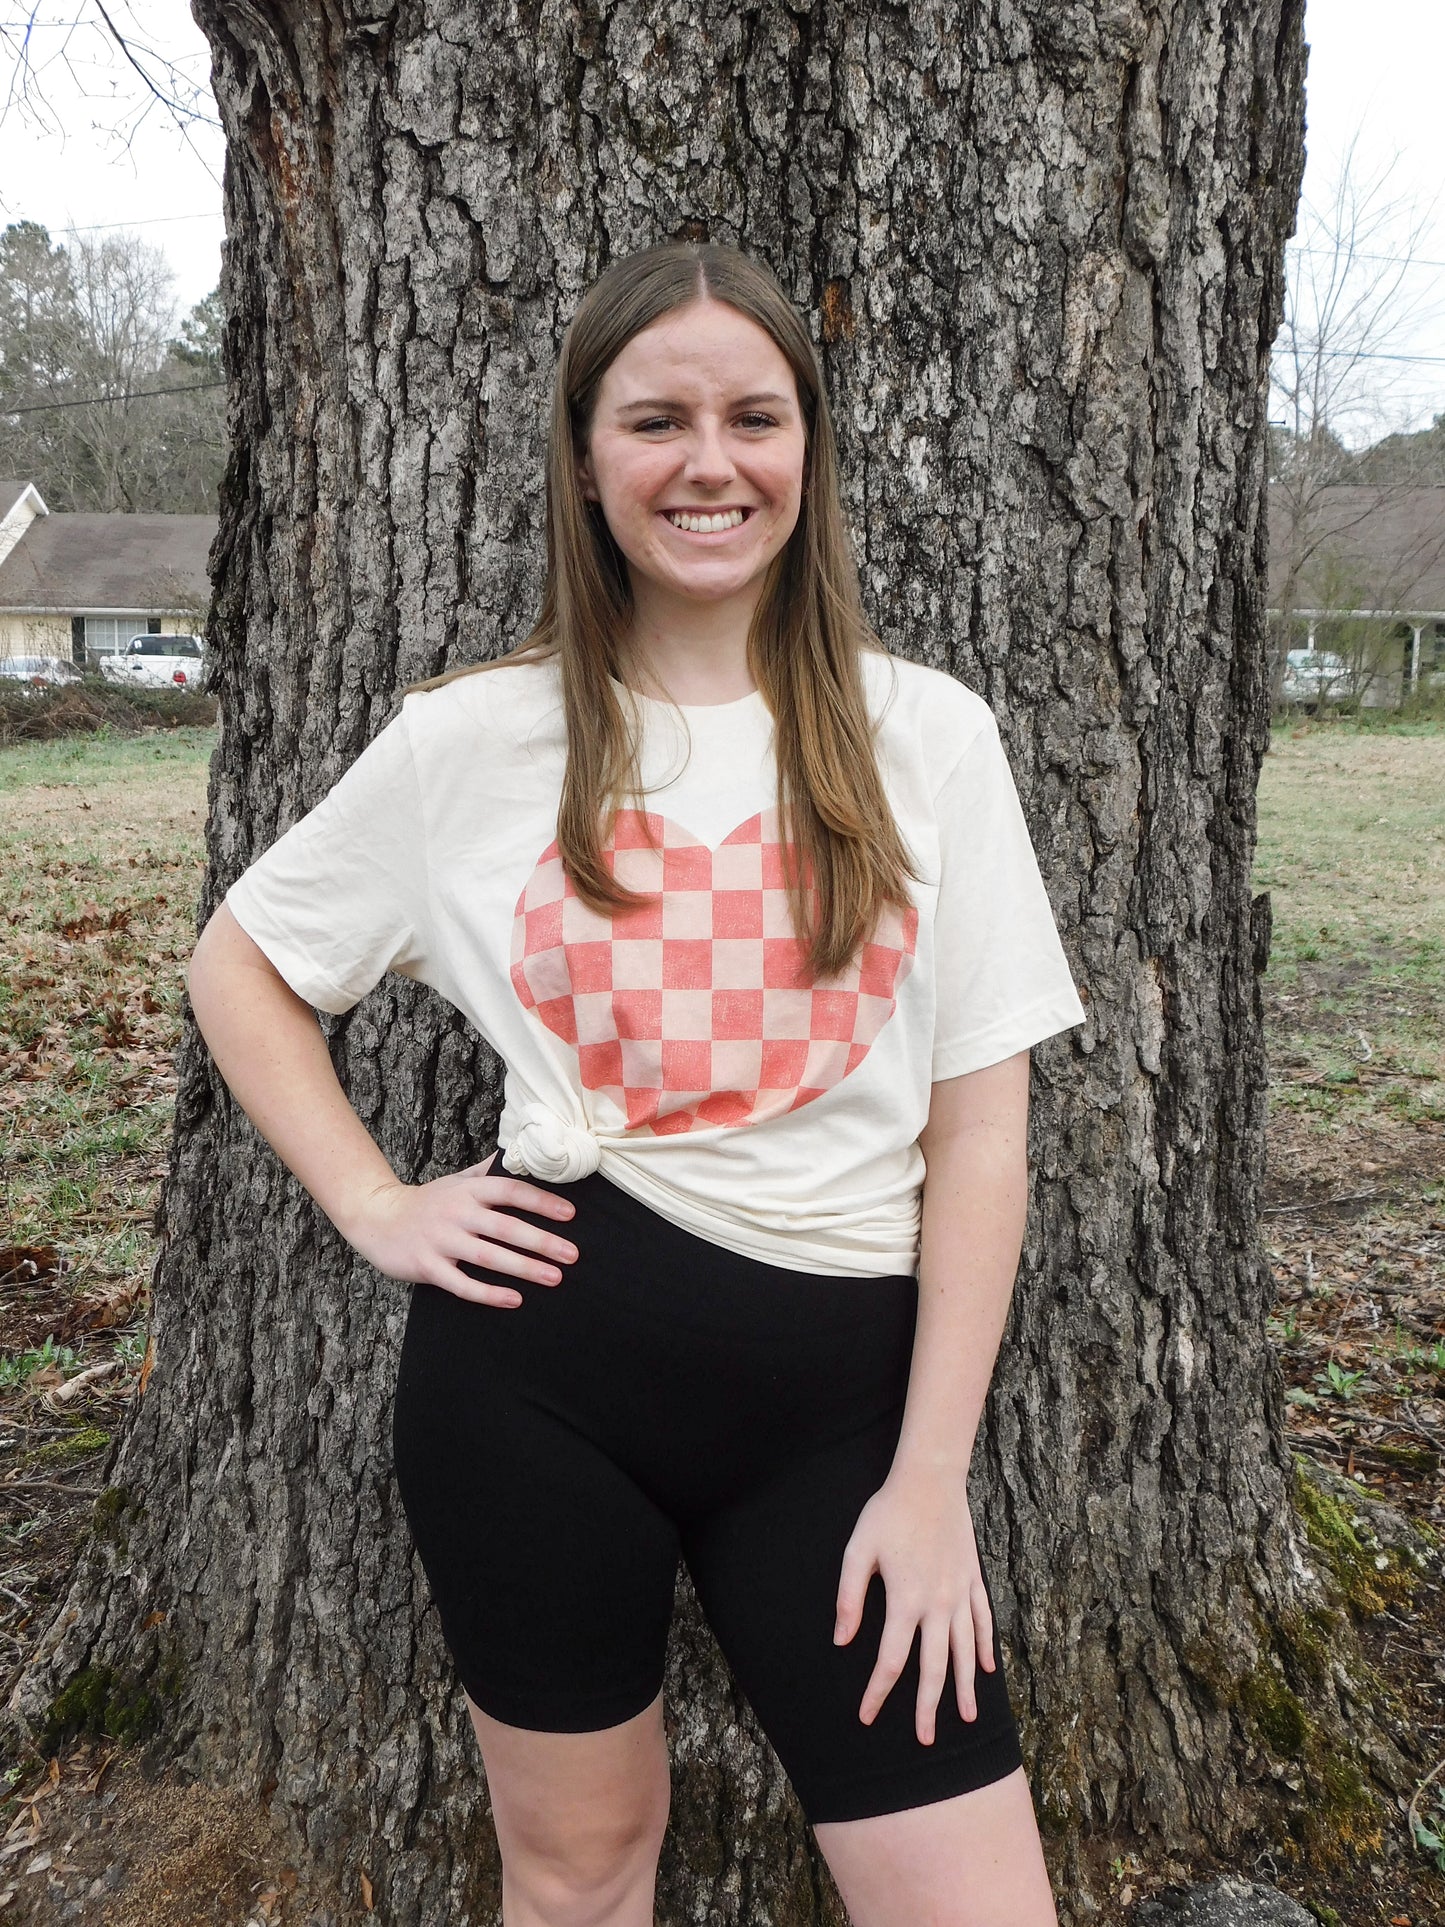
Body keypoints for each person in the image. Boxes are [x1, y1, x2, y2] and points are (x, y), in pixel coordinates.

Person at [187, 240, 1086, 1927]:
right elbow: (238, 965)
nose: (708, 462)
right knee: (578, 1875)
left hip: (845, 1426)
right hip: (536, 1397)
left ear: (805, 452)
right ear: (587, 457)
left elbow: (981, 1134)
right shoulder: (478, 743)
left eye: (753, 417)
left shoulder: (927, 739)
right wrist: (372, 1200)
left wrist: (928, 1481)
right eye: (655, 419)